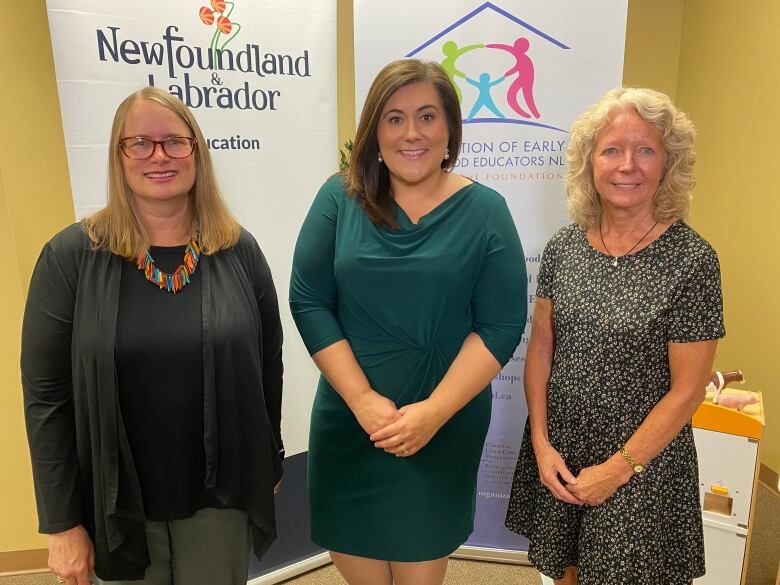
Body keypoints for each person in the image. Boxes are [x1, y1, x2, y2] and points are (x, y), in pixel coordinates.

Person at [21, 87, 284, 585]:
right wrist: (61, 522)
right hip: (117, 505)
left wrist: (267, 456)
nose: (158, 155)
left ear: (197, 152)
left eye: (175, 142)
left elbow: (268, 360)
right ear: (118, 157)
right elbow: (46, 397)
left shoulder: (238, 250)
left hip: (220, 499)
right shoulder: (71, 257)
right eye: (139, 142)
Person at [290, 59, 527, 585]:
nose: (411, 133)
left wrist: (433, 414)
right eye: (394, 118)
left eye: (427, 116)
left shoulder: (486, 210)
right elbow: (308, 299)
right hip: (352, 422)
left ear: (449, 129)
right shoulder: (339, 197)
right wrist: (362, 401)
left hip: (442, 425)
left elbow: (501, 326)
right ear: (375, 132)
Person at [504, 87, 725, 584]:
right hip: (561, 449)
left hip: (640, 464)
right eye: (612, 150)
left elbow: (689, 388)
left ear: (669, 164)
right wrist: (541, 442)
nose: (628, 164)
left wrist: (619, 468)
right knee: (564, 574)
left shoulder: (693, 261)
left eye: (645, 149)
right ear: (589, 164)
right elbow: (541, 349)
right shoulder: (563, 248)